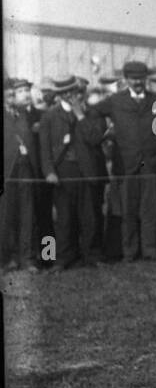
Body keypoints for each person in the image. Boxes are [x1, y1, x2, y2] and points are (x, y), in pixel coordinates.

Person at [87, 60, 156, 261]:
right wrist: (106, 130)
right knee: (128, 210)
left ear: (146, 79)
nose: (137, 82)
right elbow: (92, 111)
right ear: (126, 79)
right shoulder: (115, 101)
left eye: (140, 78)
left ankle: (150, 249)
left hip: (150, 163)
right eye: (133, 79)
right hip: (126, 164)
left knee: (150, 209)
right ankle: (129, 251)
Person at [37, 75, 104, 270]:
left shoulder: (90, 113)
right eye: (65, 92)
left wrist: (80, 115)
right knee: (65, 217)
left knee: (90, 216)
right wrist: (49, 171)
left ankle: (92, 255)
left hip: (87, 170)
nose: (70, 95)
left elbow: (95, 139)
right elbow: (45, 148)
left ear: (78, 92)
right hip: (63, 171)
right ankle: (64, 257)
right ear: (59, 95)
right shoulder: (49, 116)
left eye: (73, 91)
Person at [2, 78, 41, 270]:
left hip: (26, 170)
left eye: (13, 94)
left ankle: (27, 258)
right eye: (8, 94)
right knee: (6, 216)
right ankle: (7, 258)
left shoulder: (28, 114)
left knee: (27, 215)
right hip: (6, 173)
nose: (12, 97)